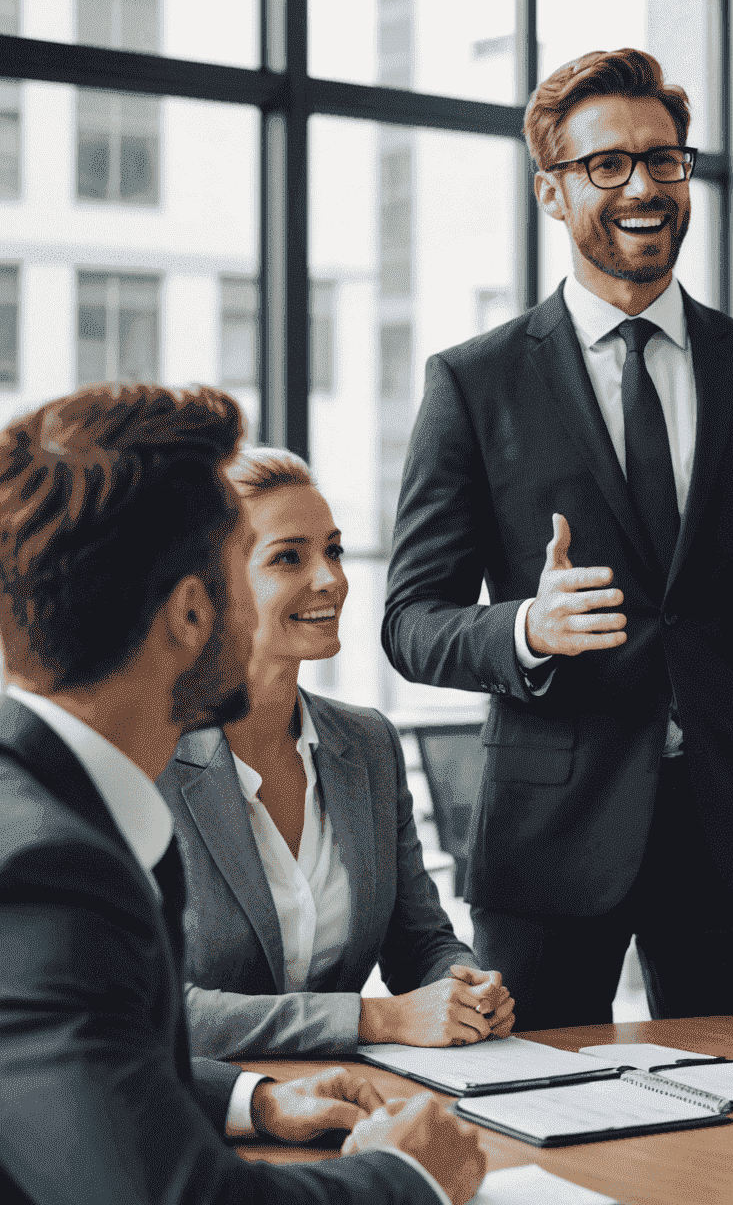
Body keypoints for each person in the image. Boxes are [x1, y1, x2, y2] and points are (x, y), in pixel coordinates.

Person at [0, 383, 485, 1205]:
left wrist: (257, 1100)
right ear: (192, 611)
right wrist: (409, 1177)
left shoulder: (58, 807)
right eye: (250, 566)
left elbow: (83, 1065)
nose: (324, 584)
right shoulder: (45, 872)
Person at [383, 47, 733, 1030]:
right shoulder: (475, 383)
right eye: (608, 164)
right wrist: (525, 628)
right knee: (541, 1125)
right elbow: (409, 621)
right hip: (551, 836)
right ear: (553, 194)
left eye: (665, 159)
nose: (644, 185)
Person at [157, 447, 515, 1060]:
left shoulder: (368, 742)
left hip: (352, 1103)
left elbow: (420, 940)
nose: (331, 579)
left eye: (334, 550)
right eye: (288, 557)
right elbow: (156, 1012)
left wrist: (461, 986)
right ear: (209, 587)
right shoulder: (150, 759)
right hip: (201, 1118)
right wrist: (374, 1020)